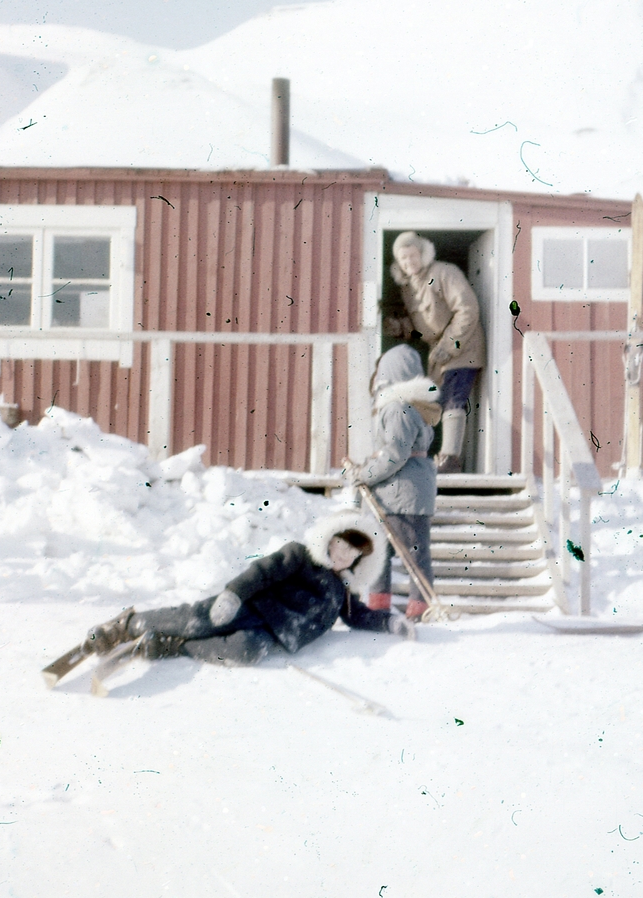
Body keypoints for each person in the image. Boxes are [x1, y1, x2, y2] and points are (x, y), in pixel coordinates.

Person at [84, 511, 415, 665]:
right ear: (330, 539)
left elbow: (357, 616)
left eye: (352, 554)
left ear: (358, 561)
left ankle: (171, 647)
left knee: (245, 651)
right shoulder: (300, 555)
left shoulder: (341, 591)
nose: (342, 554)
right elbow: (262, 572)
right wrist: (233, 594)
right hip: (251, 607)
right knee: (199, 620)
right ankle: (124, 626)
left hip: (273, 636)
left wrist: (388, 621)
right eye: (340, 544)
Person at [343, 344, 441, 621]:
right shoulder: (419, 408)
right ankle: (419, 607)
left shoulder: (397, 408)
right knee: (415, 553)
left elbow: (394, 455)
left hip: (397, 493)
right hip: (412, 491)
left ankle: (379, 606)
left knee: (380, 552)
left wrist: (364, 474)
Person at [384, 231, 485, 474]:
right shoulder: (409, 286)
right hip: (438, 353)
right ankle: (427, 457)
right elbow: (425, 328)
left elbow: (467, 310)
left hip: (462, 345)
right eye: (403, 258)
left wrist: (449, 345)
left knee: (453, 397)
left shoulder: (444, 273)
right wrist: (401, 328)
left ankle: (450, 460)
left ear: (423, 253)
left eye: (413, 255)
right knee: (433, 403)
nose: (409, 262)